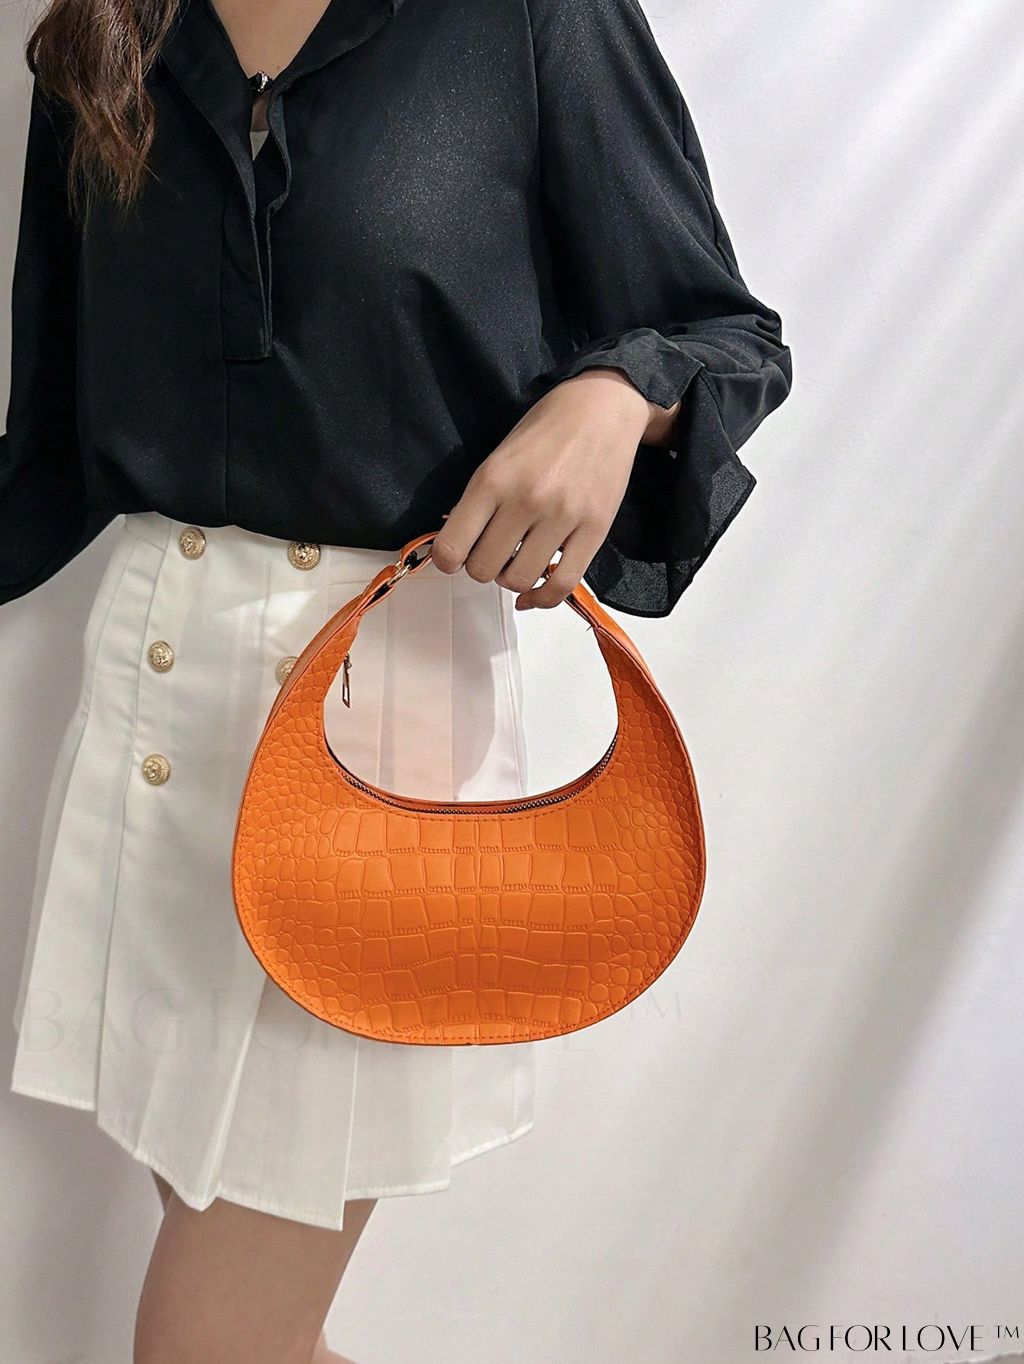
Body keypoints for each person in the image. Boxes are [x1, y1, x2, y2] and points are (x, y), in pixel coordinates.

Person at [1, 0, 792, 1358]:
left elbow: (722, 331)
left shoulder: (529, 16)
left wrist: (614, 392)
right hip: (152, 709)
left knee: (207, 1345)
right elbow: (51, 446)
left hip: (377, 755)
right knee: (258, 1328)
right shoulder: (107, 28)